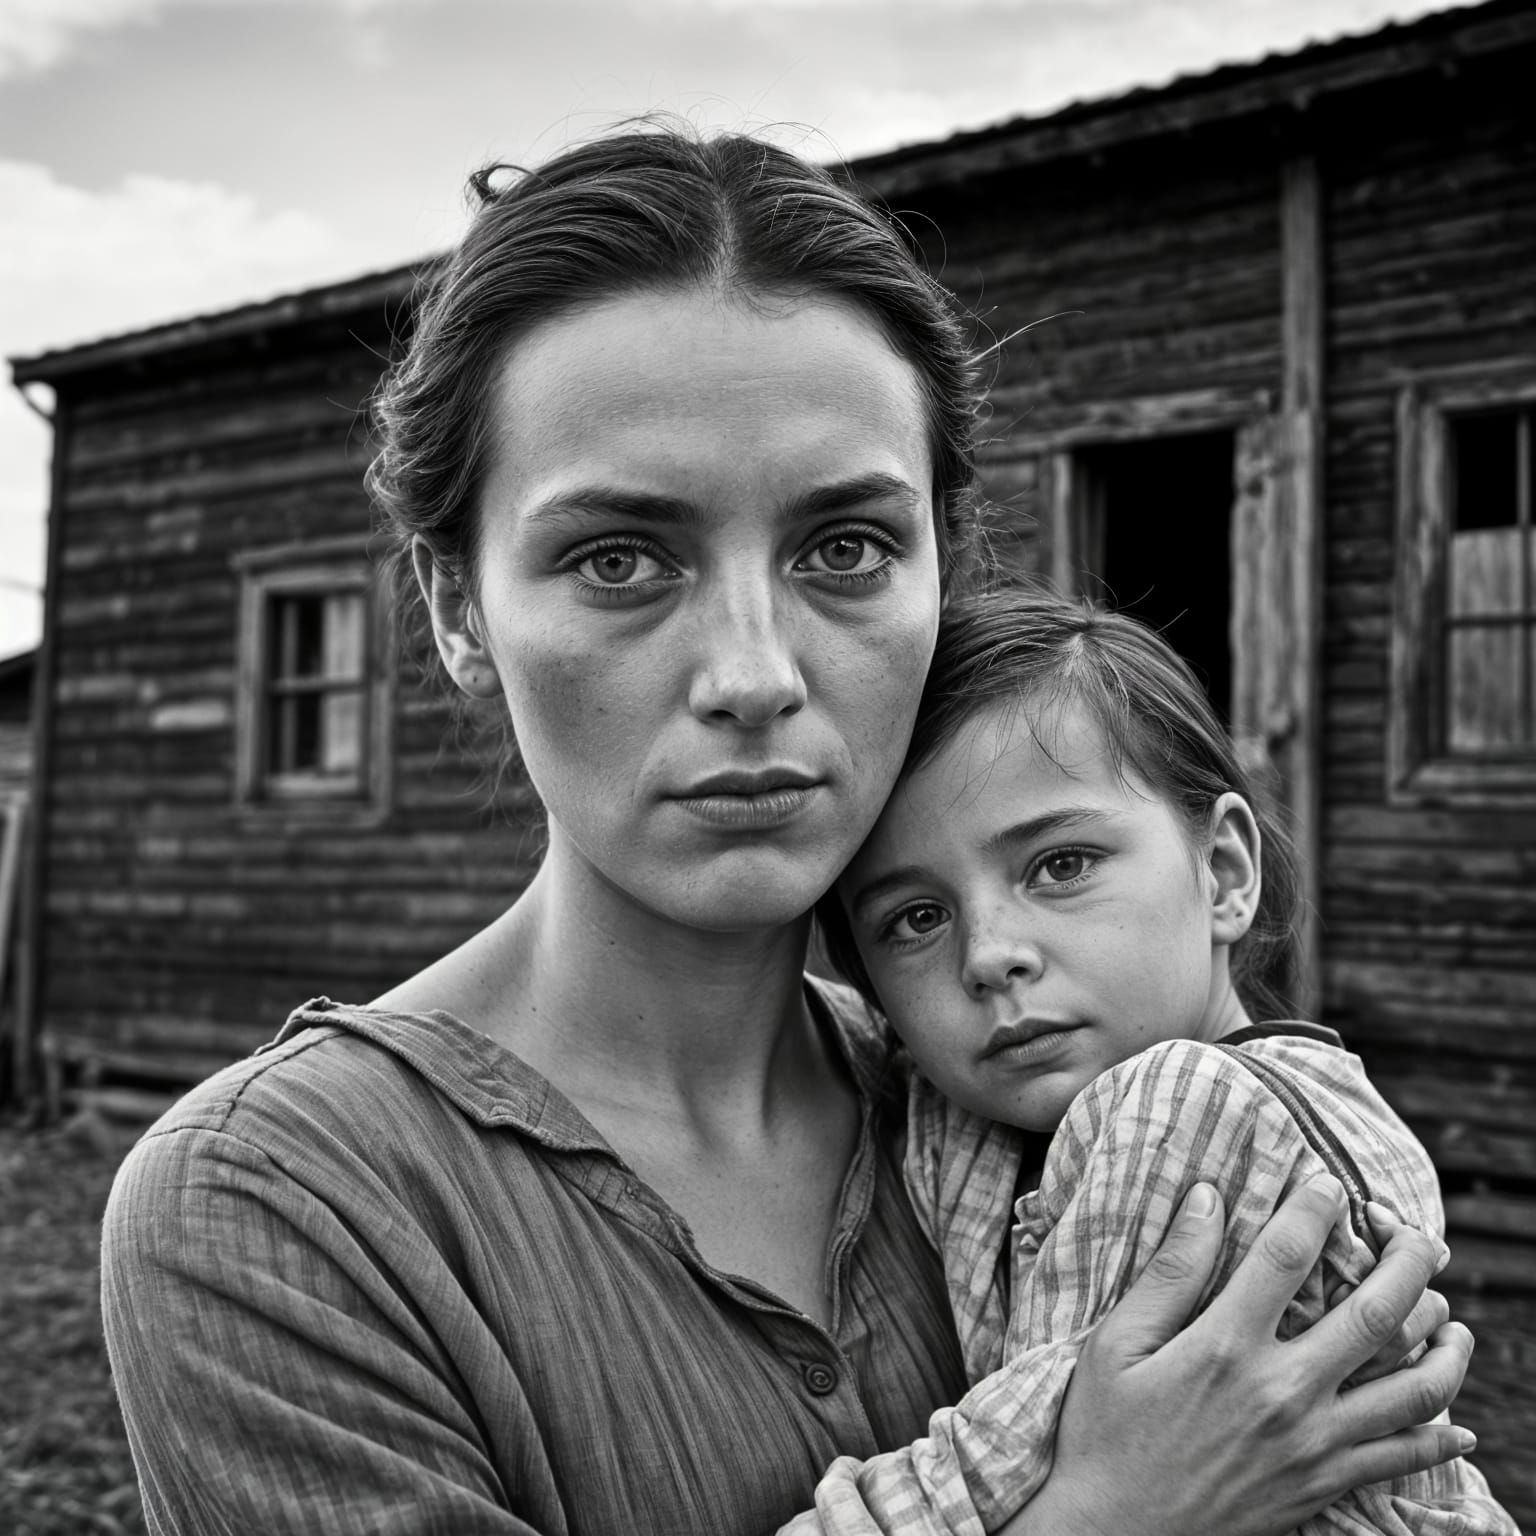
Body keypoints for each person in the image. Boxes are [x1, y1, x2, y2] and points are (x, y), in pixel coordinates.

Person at [100, 126, 1477, 1536]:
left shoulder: (994, 1101)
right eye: (618, 558)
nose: (753, 674)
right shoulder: (275, 1213)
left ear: (944, 569)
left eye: (846, 548)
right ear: (459, 610)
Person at [809, 587, 1515, 1535]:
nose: (987, 955)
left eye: (1060, 865)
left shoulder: (1197, 1103)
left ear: (1222, 872)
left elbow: (1046, 1447)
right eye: (916, 919)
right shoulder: (996, 1104)